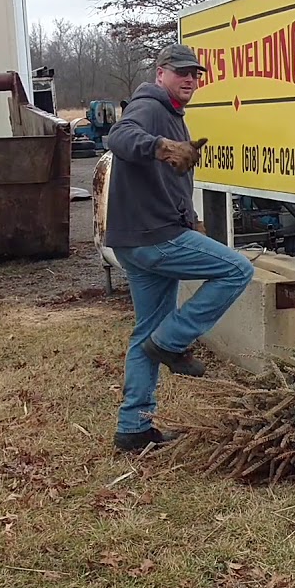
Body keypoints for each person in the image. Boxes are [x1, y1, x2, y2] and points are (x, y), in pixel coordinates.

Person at [102, 44, 255, 454]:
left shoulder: (170, 112)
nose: (190, 79)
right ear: (160, 74)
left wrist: (191, 220)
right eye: (181, 72)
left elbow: (168, 184)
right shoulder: (149, 106)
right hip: (154, 238)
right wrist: (163, 147)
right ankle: (172, 340)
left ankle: (133, 427)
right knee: (238, 270)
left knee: (144, 334)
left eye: (195, 74)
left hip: (137, 238)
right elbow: (120, 136)